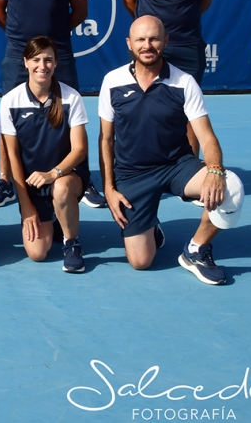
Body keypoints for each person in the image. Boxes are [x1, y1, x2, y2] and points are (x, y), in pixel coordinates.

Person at [98, 16, 242, 285]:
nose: (147, 45)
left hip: (177, 166)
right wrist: (109, 188)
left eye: (154, 38)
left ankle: (196, 250)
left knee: (231, 187)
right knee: (141, 262)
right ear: (130, 44)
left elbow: (207, 137)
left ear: (165, 41)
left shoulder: (184, 82)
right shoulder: (112, 81)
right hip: (132, 175)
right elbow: (106, 140)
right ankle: (150, 221)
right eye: (140, 39)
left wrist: (214, 169)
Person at [0, 0, 100, 208]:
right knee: (8, 117)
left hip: (59, 54)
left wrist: (55, 40)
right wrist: (24, 43)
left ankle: (82, 178)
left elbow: (80, 10)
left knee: (70, 115)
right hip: (17, 56)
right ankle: (5, 181)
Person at [0, 36, 90, 273]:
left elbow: (80, 150)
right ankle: (58, 218)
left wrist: (53, 173)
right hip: (33, 185)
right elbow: (13, 157)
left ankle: (72, 244)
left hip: (66, 177)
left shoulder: (71, 97)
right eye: (36, 59)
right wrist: (26, 205)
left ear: (56, 63)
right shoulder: (10, 101)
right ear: (26, 62)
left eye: (48, 60)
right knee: (37, 253)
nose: (43, 66)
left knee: (61, 189)